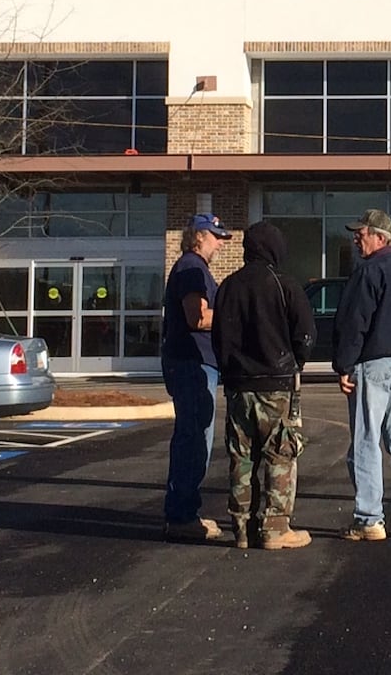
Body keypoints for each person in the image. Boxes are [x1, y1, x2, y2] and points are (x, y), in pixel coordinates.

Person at [211, 221, 315, 552]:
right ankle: (275, 527)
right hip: (276, 384)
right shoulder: (284, 284)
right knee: (279, 453)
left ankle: (241, 528)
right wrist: (295, 361)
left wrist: (230, 369)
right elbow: (306, 333)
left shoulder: (228, 286)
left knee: (241, 457)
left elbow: (218, 337)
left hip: (238, 386)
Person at [333, 208, 391, 541]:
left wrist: (344, 365)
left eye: (361, 234)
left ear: (380, 237)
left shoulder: (369, 271)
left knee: (367, 443)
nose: (357, 240)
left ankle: (369, 519)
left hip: (373, 365)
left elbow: (355, 321)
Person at [160, 212, 232, 543]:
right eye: (215, 235)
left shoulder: (193, 267)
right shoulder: (191, 268)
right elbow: (197, 317)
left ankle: (186, 511)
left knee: (195, 437)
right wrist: (236, 313)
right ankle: (182, 516)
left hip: (193, 363)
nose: (219, 243)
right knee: (193, 438)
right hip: (192, 364)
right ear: (198, 236)